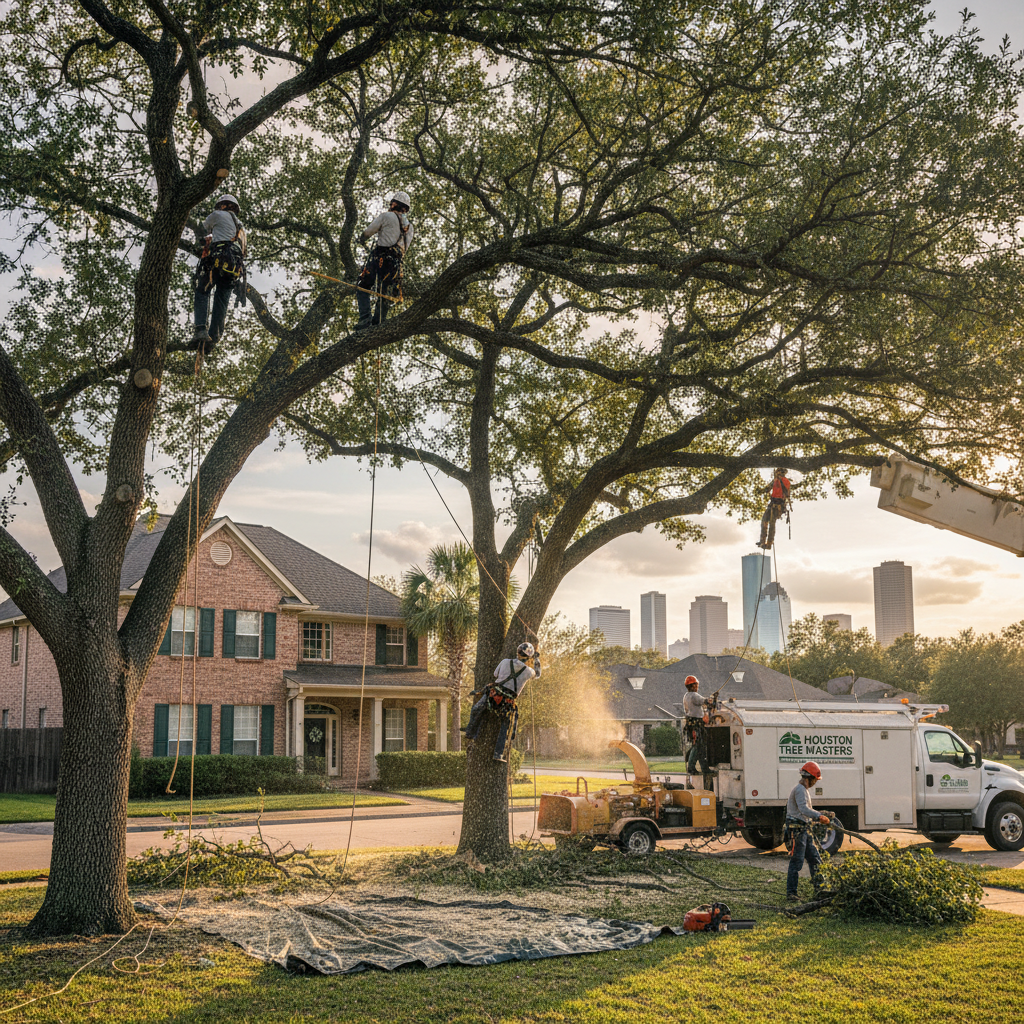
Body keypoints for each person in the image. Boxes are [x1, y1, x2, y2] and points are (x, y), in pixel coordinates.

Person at [465, 642, 541, 762]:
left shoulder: (505, 661)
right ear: (529, 657)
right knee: (504, 727)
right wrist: (536, 659)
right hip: (507, 703)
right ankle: (498, 753)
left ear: (518, 652)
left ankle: (470, 732)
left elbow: (496, 674)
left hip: (493, 695)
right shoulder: (528, 671)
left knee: (477, 708)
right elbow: (538, 674)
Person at [191, 195, 247, 355]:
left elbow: (201, 229)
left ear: (223, 206)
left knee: (202, 291)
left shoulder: (218, 215)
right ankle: (213, 338)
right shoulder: (241, 228)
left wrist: (203, 241)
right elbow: (243, 251)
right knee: (221, 301)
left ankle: (201, 330)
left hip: (218, 261)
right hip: (234, 269)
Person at [354, 191, 413, 330]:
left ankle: (365, 319)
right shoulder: (410, 227)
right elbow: (405, 249)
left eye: (392, 202)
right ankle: (378, 323)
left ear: (395, 204)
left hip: (379, 258)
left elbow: (368, 232)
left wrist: (361, 240)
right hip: (395, 265)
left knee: (363, 287)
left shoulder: (387, 216)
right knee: (384, 293)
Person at [785, 760, 833, 901]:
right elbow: (804, 809)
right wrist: (819, 816)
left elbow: (805, 811)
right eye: (815, 780)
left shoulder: (802, 790)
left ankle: (820, 889)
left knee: (815, 859)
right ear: (810, 778)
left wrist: (821, 814)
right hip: (797, 831)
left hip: (804, 830)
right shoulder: (800, 790)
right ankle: (791, 893)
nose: (815, 783)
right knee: (797, 862)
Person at [683, 674, 711, 784]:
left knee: (700, 746)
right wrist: (712, 699)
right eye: (696, 684)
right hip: (696, 724)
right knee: (698, 745)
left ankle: (705, 768)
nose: (697, 686)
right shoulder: (694, 695)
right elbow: (705, 701)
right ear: (693, 685)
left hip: (691, 723)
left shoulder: (686, 696)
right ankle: (691, 767)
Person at [757, 468, 791, 549]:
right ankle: (762, 540)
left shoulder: (786, 481)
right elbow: (767, 489)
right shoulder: (775, 481)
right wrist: (760, 490)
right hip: (772, 504)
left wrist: (780, 481)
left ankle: (769, 543)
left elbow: (786, 493)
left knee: (772, 524)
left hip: (778, 505)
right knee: (764, 520)